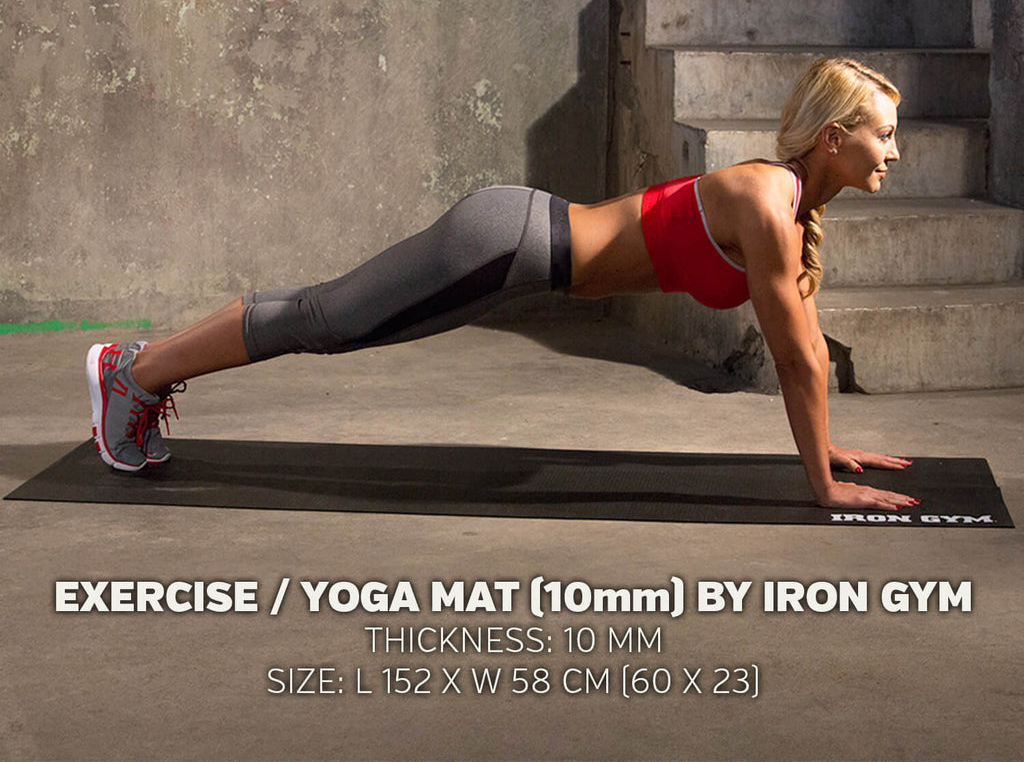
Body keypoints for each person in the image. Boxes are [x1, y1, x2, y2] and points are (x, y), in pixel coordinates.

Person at [87, 57, 919, 512]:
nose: (893, 151)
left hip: (518, 252)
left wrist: (828, 447)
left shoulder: (789, 203)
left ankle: (139, 369)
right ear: (835, 138)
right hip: (508, 243)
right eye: (884, 135)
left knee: (327, 317)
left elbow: (805, 342)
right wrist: (822, 484)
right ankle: (132, 374)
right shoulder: (768, 202)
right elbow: (796, 361)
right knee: (326, 319)